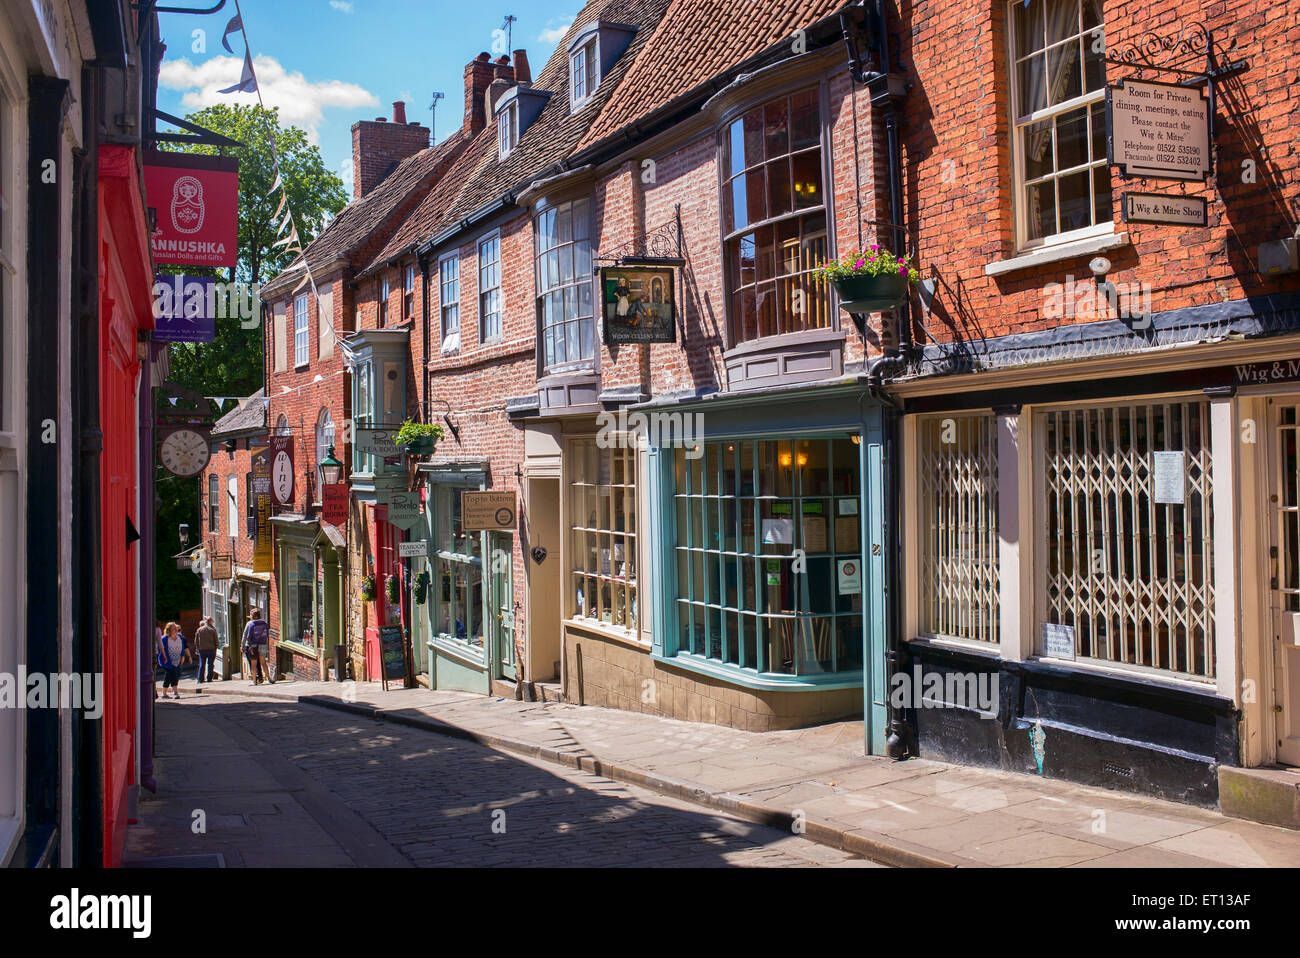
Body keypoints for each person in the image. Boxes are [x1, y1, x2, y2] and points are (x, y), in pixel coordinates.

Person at [156, 622, 190, 700]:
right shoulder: (164, 639)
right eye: (173, 629)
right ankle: (175, 693)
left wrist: (182, 657)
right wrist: (167, 661)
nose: (176, 630)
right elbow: (162, 649)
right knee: (173, 675)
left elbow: (182, 648)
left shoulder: (180, 637)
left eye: (176, 628)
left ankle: (164, 693)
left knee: (168, 676)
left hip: (177, 660)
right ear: (169, 630)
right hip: (166, 661)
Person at [241, 608, 272, 685]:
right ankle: (269, 679)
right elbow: (267, 633)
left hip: (253, 646)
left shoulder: (251, 624)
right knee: (263, 662)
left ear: (252, 616)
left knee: (253, 664)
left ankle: (254, 681)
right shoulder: (264, 623)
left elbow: (248, 636)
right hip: (263, 644)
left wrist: (243, 645)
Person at [194, 616, 219, 684]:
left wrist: (197, 648)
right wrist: (216, 647)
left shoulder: (199, 630)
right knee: (210, 664)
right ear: (210, 621)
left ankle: (200, 679)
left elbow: (196, 640)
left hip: (202, 650)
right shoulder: (212, 630)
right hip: (211, 649)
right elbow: (216, 640)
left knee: (202, 664)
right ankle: (209, 678)